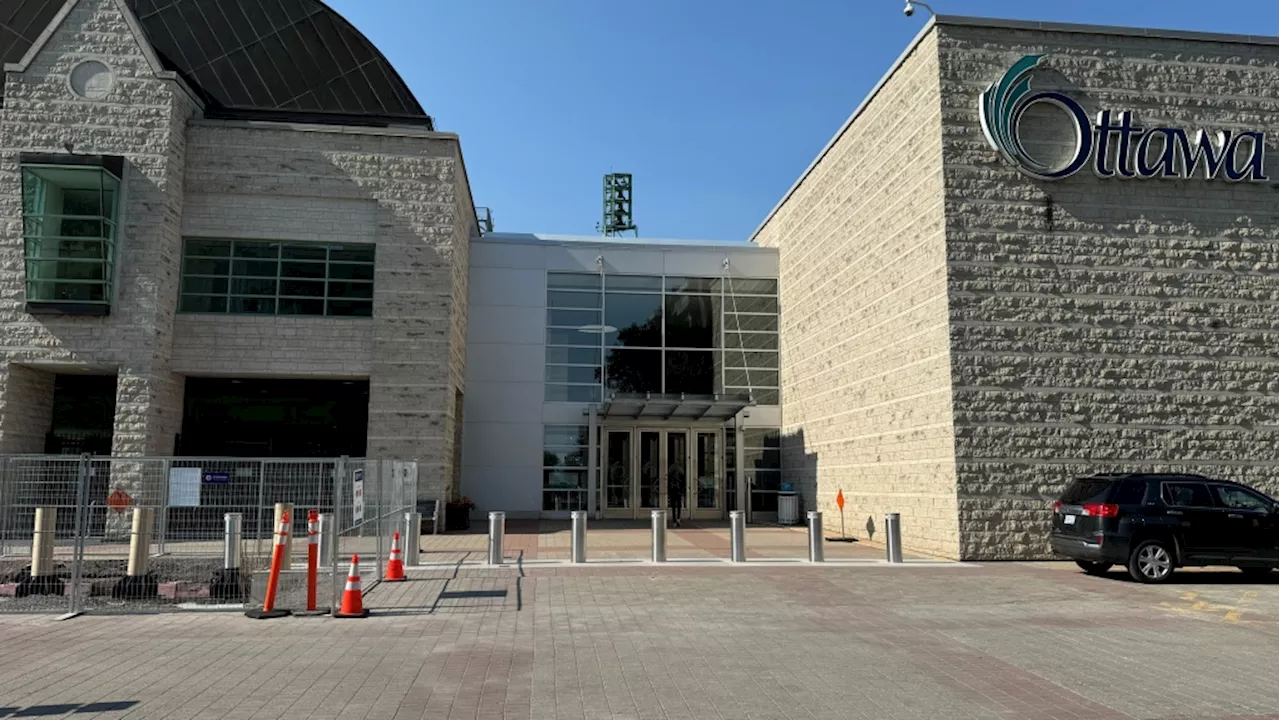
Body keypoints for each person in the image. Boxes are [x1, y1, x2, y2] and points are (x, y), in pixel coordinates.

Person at [667, 461, 686, 527]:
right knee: (679, 505)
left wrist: (669, 492)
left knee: (673, 506)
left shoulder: (671, 473)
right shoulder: (681, 473)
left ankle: (674, 520)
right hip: (679, 491)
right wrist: (683, 491)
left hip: (673, 491)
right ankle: (678, 518)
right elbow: (683, 483)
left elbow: (669, 483)